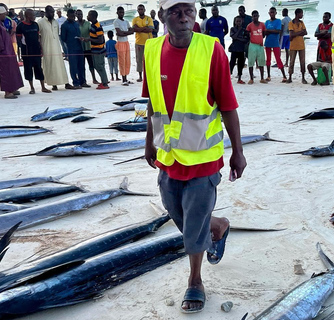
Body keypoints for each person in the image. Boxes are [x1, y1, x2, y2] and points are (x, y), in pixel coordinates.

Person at [143, 0, 246, 314]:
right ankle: (217, 224)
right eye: (175, 11)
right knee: (176, 209)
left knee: (192, 225)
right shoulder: (151, 50)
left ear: (195, 16)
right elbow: (150, 102)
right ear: (163, 17)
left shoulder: (211, 49)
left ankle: (195, 280)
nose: (183, 17)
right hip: (168, 154)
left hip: (203, 156)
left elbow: (228, 104)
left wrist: (238, 152)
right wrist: (147, 141)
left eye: (188, 11)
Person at [38, 5, 73, 91]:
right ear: (46, 12)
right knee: (50, 66)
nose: (52, 14)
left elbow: (57, 34)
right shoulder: (40, 22)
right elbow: (38, 36)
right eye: (50, 12)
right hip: (47, 48)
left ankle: (66, 83)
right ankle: (54, 85)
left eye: (53, 12)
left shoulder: (55, 22)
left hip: (57, 47)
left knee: (60, 65)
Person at [16, 8, 51, 94]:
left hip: (36, 51)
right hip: (27, 52)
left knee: (39, 68)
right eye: (33, 15)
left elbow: (38, 38)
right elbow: (19, 41)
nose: (34, 17)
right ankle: (32, 88)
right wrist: (19, 55)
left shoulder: (35, 25)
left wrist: (41, 49)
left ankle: (43, 87)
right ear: (28, 16)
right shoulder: (20, 26)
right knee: (28, 70)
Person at [0, 6, 23, 99]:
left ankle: (12, 88)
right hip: (4, 53)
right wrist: (4, 52)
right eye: (4, 14)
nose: (5, 16)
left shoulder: (0, 23)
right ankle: (7, 92)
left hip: (8, 51)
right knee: (6, 72)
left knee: (12, 71)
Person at [61, 9, 85, 89]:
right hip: (71, 48)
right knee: (73, 66)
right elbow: (63, 38)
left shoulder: (76, 23)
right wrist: (70, 40)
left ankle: (83, 81)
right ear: (67, 15)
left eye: (74, 16)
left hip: (79, 46)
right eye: (71, 16)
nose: (73, 17)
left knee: (81, 65)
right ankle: (75, 82)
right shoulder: (64, 25)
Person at [86, 9, 109, 89]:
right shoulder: (94, 25)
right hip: (97, 49)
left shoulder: (97, 26)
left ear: (93, 17)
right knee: (99, 65)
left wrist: (89, 40)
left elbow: (100, 39)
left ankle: (105, 83)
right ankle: (104, 81)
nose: (87, 16)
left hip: (98, 50)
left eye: (89, 15)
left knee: (99, 66)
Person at [132, 4, 153, 82]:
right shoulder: (135, 19)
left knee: (149, 60)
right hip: (139, 42)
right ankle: (140, 76)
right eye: (139, 9)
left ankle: (148, 75)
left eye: (142, 9)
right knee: (139, 59)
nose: (140, 10)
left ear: (144, 10)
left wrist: (139, 29)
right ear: (137, 10)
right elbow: (134, 29)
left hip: (149, 42)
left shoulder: (149, 18)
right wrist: (145, 27)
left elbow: (150, 30)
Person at [264, 7, 286, 82]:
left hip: (275, 43)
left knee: (278, 59)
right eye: (271, 12)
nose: (272, 14)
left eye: (273, 12)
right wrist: (271, 31)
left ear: (276, 13)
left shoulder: (278, 21)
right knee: (268, 59)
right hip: (267, 43)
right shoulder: (267, 22)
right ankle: (268, 76)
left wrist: (269, 31)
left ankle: (284, 76)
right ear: (269, 13)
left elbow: (278, 31)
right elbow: (265, 32)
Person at [114, 6, 134, 85]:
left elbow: (131, 30)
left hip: (126, 42)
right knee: (122, 61)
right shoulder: (116, 21)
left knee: (127, 61)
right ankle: (123, 79)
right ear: (117, 13)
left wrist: (124, 33)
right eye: (120, 12)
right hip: (121, 43)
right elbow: (119, 33)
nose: (121, 13)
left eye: (122, 12)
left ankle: (126, 77)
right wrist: (127, 33)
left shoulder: (126, 21)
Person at [246, 10, 267, 84]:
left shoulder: (262, 25)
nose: (255, 17)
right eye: (254, 16)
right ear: (252, 17)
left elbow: (264, 34)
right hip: (252, 45)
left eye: (256, 16)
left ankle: (262, 78)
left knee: (261, 62)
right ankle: (251, 78)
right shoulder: (249, 25)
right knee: (251, 62)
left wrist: (260, 40)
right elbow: (247, 34)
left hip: (260, 45)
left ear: (258, 16)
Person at [76, 9, 96, 86]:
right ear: (76, 15)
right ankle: (83, 80)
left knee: (91, 63)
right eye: (78, 14)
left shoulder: (87, 23)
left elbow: (91, 31)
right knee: (81, 65)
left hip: (88, 46)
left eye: (81, 14)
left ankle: (94, 78)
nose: (79, 16)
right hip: (79, 47)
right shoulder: (75, 24)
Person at [287, 8, 307, 84]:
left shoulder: (301, 22)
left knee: (302, 62)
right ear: (297, 14)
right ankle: (290, 77)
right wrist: (300, 32)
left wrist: (296, 33)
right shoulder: (291, 23)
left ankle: (303, 77)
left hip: (301, 45)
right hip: (293, 45)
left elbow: (305, 32)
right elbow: (291, 35)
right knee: (291, 62)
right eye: (301, 13)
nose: (302, 15)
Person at [229, 16, 248, 84]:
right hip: (234, 49)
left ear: (242, 21)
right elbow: (233, 36)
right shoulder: (232, 29)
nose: (238, 23)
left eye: (239, 21)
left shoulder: (244, 30)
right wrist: (239, 32)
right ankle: (228, 77)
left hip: (241, 49)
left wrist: (238, 38)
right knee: (232, 63)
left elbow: (246, 39)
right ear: (235, 22)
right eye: (237, 21)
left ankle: (239, 78)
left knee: (240, 64)